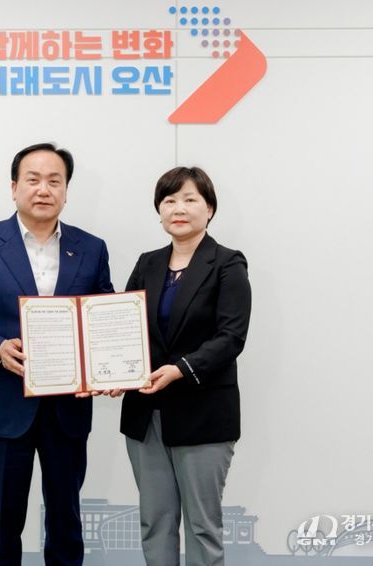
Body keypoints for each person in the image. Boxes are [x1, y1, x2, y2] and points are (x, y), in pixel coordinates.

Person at [0, 142, 113, 565]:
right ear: (14, 187)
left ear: (66, 191)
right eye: (33, 179)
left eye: (55, 181)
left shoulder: (91, 248)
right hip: (3, 406)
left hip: (68, 408)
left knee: (67, 527)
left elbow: (104, 319)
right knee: (2, 529)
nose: (43, 189)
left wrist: (106, 368)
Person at [118, 166, 251, 566]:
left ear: (209, 209)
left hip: (203, 413)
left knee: (202, 527)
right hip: (146, 414)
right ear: (159, 210)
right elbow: (125, 328)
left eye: (191, 199)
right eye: (170, 200)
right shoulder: (147, 263)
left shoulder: (227, 263)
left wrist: (179, 369)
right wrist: (112, 371)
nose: (179, 208)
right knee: (154, 523)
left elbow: (231, 337)